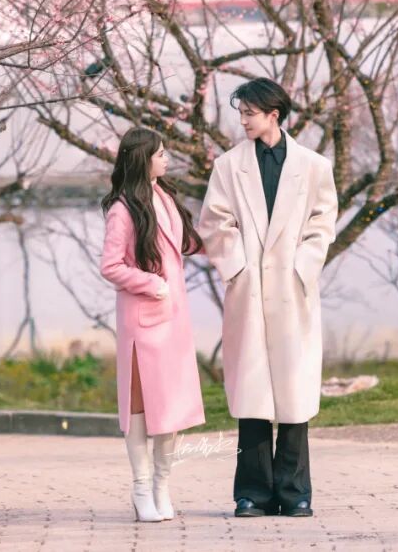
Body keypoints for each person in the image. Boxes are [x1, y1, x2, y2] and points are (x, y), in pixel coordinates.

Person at [198, 77, 338, 518]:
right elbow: (214, 222)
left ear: (273, 114)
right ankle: (253, 494)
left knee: (295, 395)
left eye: (249, 113)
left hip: (293, 292)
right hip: (250, 293)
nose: (242, 121)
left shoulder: (314, 166)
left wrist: (302, 267)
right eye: (240, 113)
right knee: (253, 396)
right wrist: (238, 268)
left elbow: (323, 223)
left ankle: (295, 492)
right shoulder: (227, 166)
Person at [99, 127, 207, 522]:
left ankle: (162, 485)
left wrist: (227, 238)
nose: (167, 159)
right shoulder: (122, 209)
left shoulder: (165, 197)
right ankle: (141, 488)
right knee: (141, 412)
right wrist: (151, 284)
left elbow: (184, 243)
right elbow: (110, 266)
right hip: (142, 323)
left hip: (173, 321)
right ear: (142, 159)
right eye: (161, 154)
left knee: (172, 410)